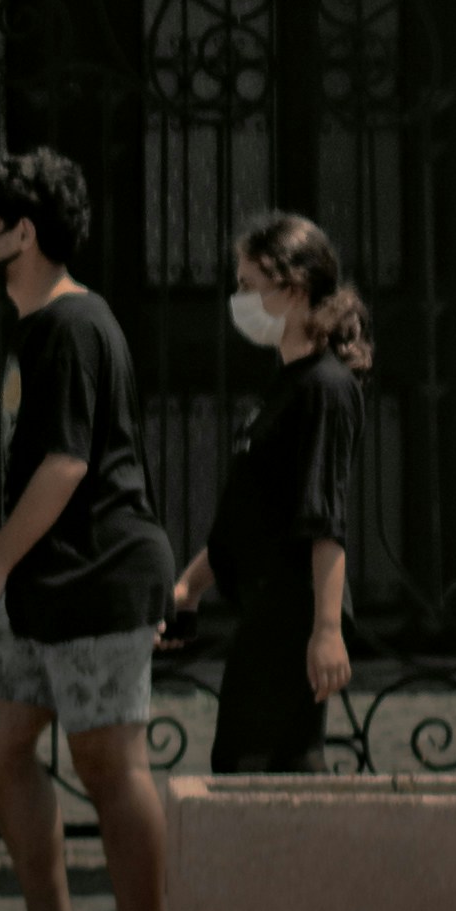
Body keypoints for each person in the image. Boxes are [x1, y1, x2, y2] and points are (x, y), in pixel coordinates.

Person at [0, 145, 180, 911]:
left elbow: (66, 463)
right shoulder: (40, 327)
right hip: (53, 584)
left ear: (25, 234)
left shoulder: (72, 327)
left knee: (109, 766)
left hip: (97, 576)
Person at [175, 211, 370, 777]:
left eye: (247, 285)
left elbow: (323, 519)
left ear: (293, 288)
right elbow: (252, 516)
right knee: (280, 770)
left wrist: (327, 631)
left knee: (248, 769)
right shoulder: (288, 385)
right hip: (269, 609)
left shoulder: (325, 389)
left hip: (292, 617)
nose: (237, 298)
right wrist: (190, 587)